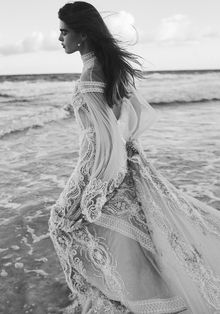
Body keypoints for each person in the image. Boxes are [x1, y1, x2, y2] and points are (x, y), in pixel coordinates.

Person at [48, 2, 220, 313]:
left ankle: (103, 301)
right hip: (123, 162)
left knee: (62, 223)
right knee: (137, 239)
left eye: (64, 32)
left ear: (82, 35)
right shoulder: (110, 66)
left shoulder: (90, 75)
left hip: (100, 166)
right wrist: (125, 161)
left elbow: (104, 141)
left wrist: (94, 190)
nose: (59, 39)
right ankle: (140, 298)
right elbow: (132, 120)